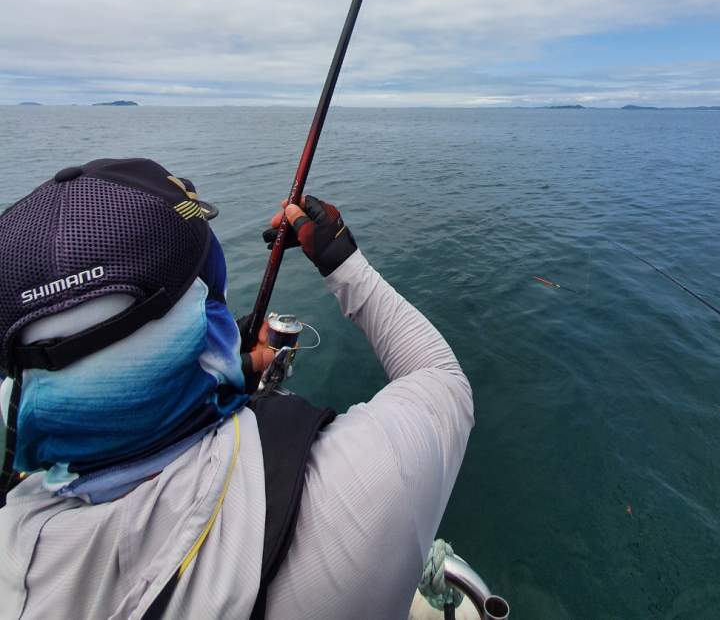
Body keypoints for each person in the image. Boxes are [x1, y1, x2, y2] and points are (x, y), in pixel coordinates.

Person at [0, 157, 473, 620]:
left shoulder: (15, 524)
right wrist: (342, 261)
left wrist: (211, 385)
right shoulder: (355, 490)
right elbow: (440, 377)